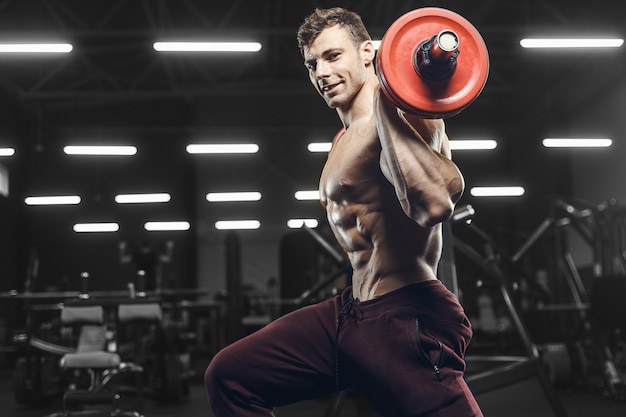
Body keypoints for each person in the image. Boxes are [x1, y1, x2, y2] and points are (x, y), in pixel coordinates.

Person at [205, 7, 483, 417]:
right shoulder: (343, 137)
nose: (321, 72)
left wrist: (388, 94)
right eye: (312, 63)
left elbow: (435, 203)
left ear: (369, 52)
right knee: (230, 375)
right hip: (351, 314)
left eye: (333, 56)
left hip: (407, 317)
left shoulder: (407, 116)